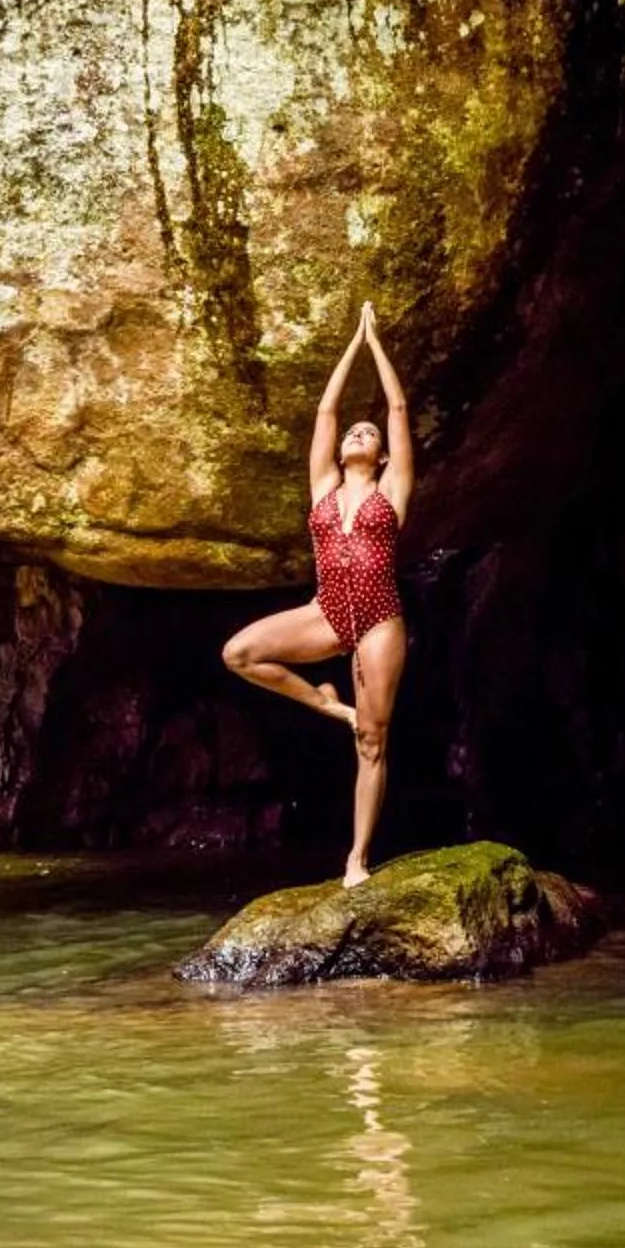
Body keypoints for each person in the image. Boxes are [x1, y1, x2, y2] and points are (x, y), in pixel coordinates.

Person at [219, 303, 411, 888]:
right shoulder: (323, 486)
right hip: (325, 612)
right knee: (239, 654)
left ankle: (356, 858)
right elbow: (327, 410)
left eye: (369, 434)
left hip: (379, 621)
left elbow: (398, 408)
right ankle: (325, 703)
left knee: (373, 739)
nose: (358, 431)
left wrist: (375, 341)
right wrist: (350, 342)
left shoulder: (393, 490)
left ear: (379, 457)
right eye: (355, 431)